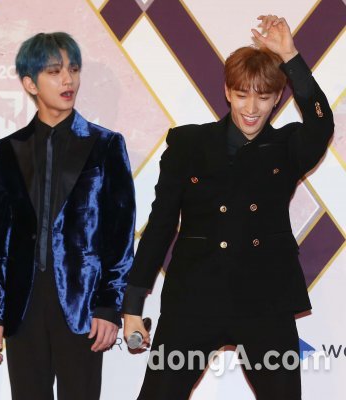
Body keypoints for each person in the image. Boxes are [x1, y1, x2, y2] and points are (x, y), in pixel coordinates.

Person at [122, 15, 334, 399]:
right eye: (241, 95)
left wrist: (290, 56)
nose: (251, 108)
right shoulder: (188, 144)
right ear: (227, 92)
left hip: (265, 300)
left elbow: (321, 125)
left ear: (278, 98)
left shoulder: (287, 147)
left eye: (263, 97)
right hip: (194, 298)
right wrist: (132, 304)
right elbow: (161, 224)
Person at [0, 32, 136, 400]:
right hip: (23, 305)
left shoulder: (106, 145)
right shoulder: (6, 150)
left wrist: (109, 305)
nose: (68, 80)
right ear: (30, 83)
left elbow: (120, 233)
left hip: (84, 305)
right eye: (54, 71)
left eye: (73, 69)